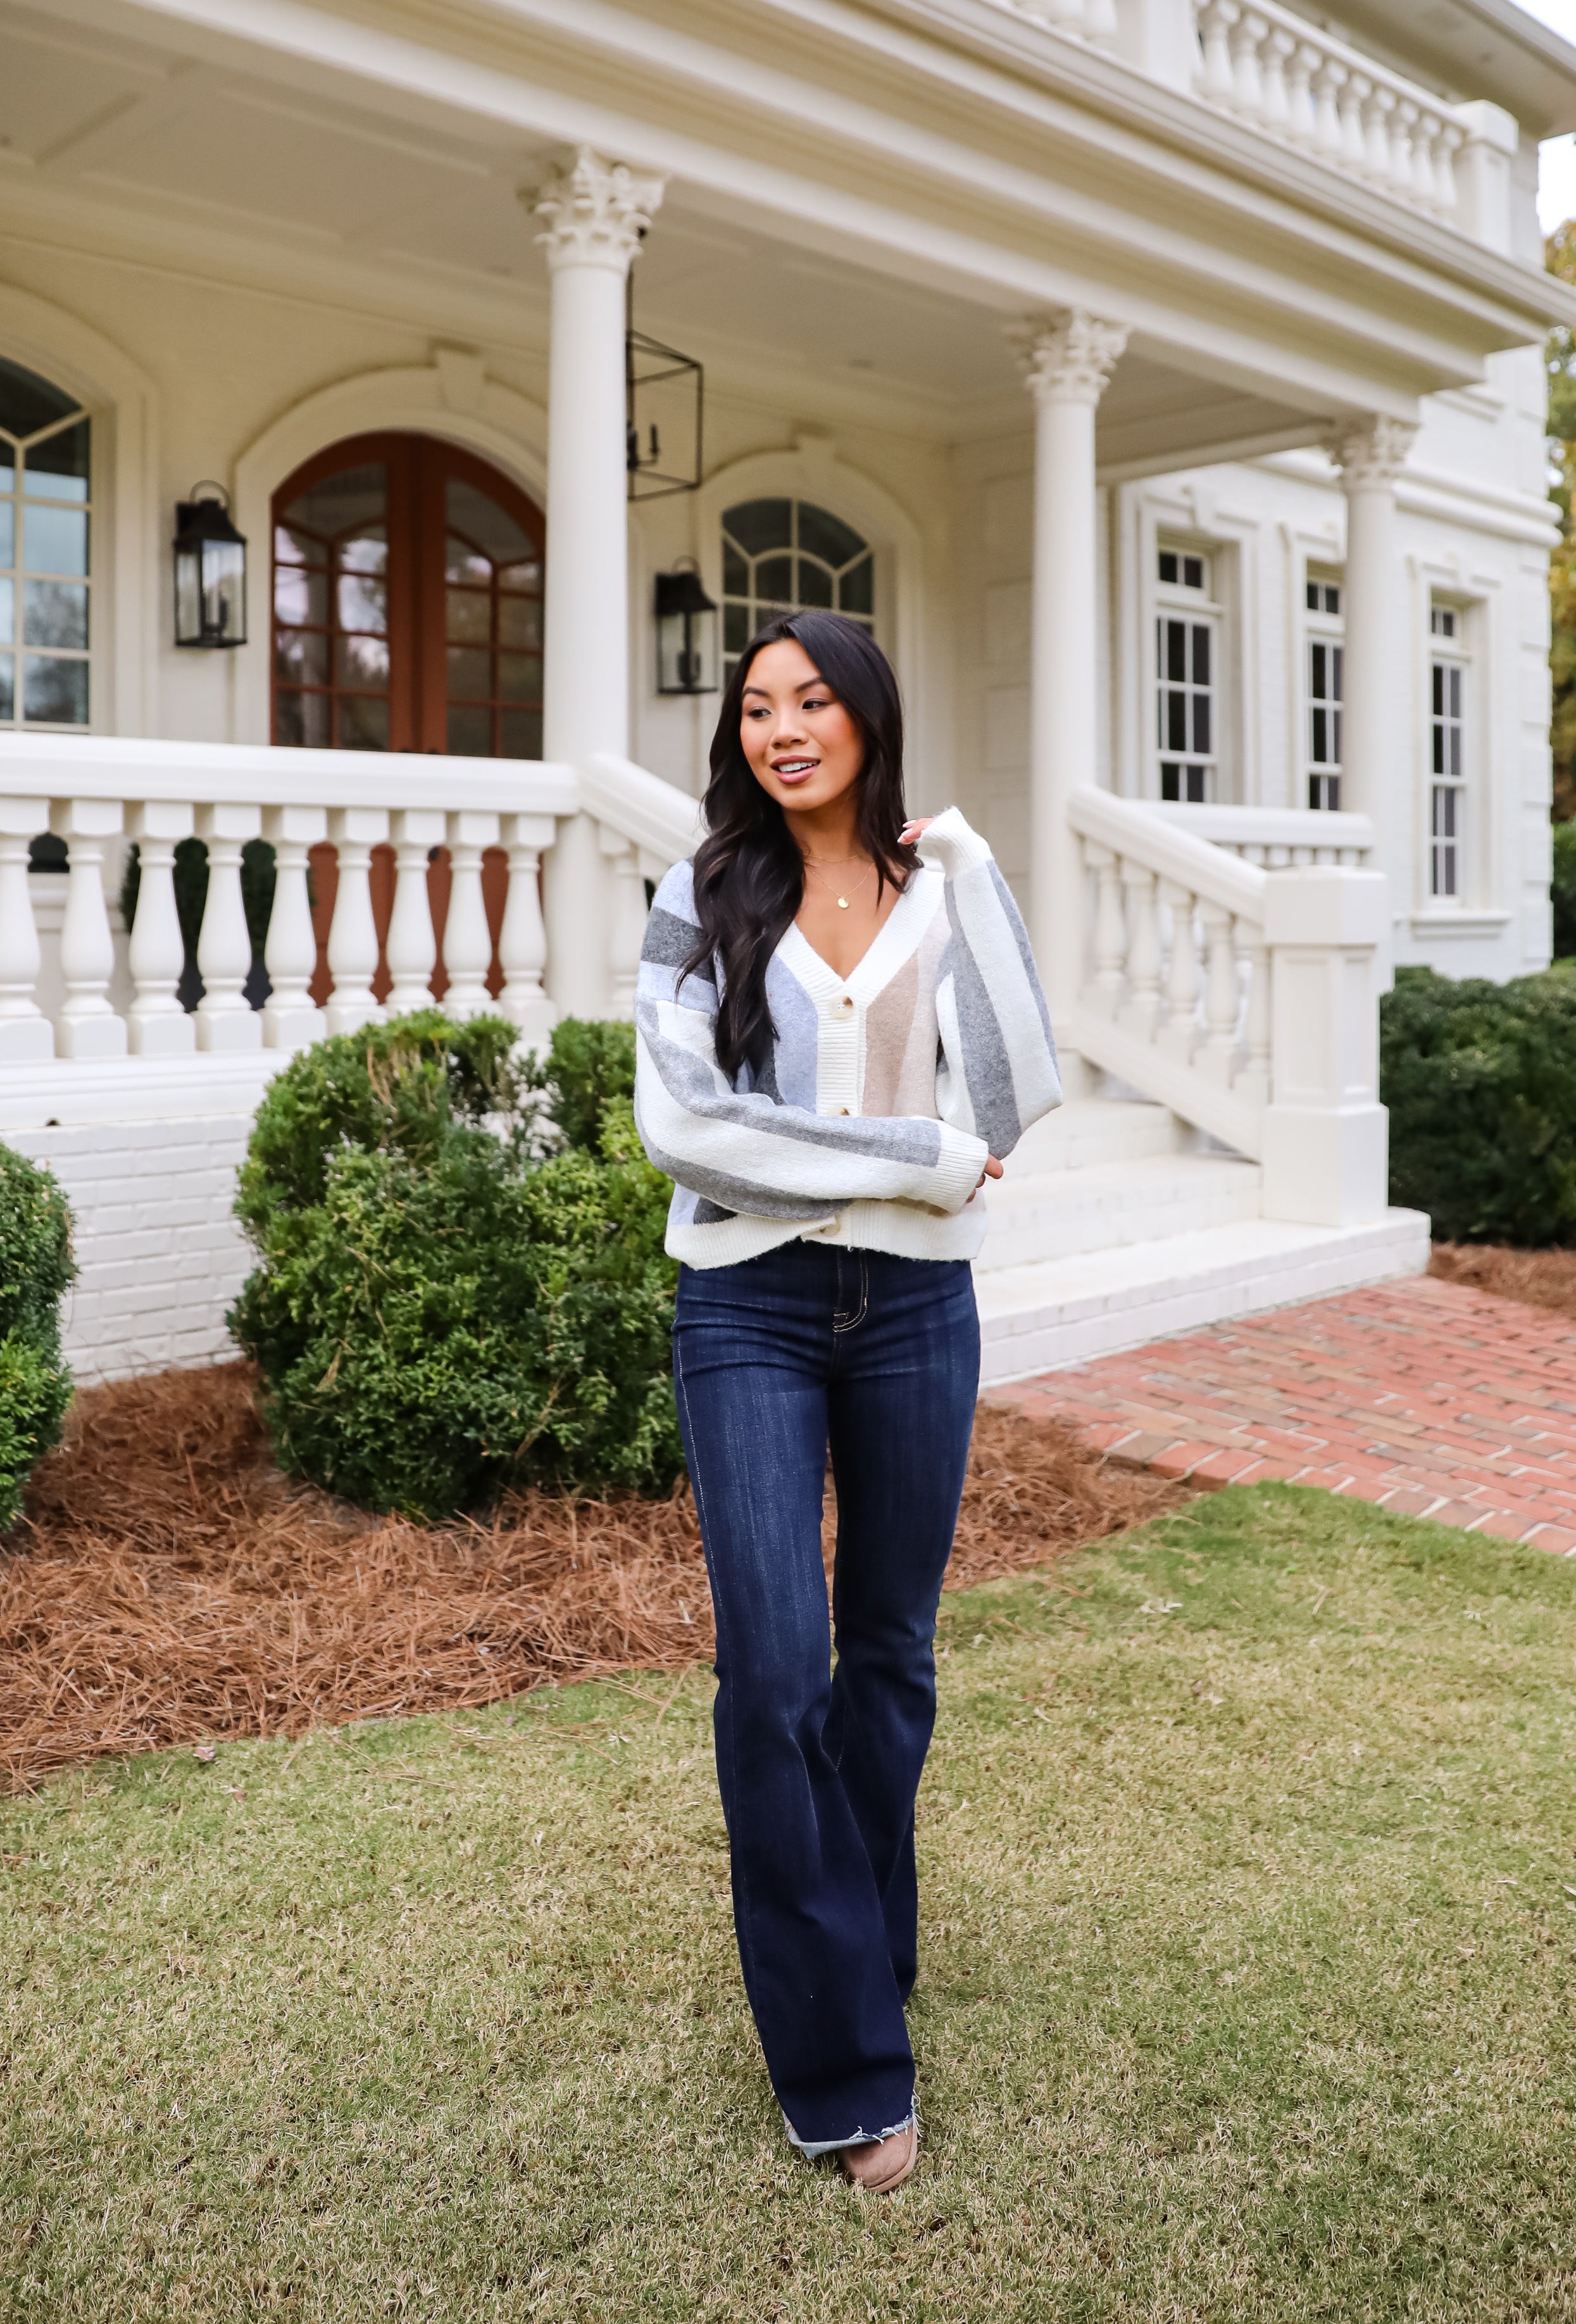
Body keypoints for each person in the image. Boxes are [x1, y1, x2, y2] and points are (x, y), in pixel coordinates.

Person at [634, 608, 1062, 2192]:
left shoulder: (935, 892)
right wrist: (917, 1162)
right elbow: (687, 1122)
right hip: (745, 1304)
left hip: (910, 1315)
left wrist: (970, 864)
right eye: (758, 704)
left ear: (869, 715)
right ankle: (840, 2064)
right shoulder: (697, 889)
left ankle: (861, 1945)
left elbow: (1016, 1092)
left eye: (813, 699)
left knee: (889, 1652)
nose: (782, 726)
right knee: (775, 1669)